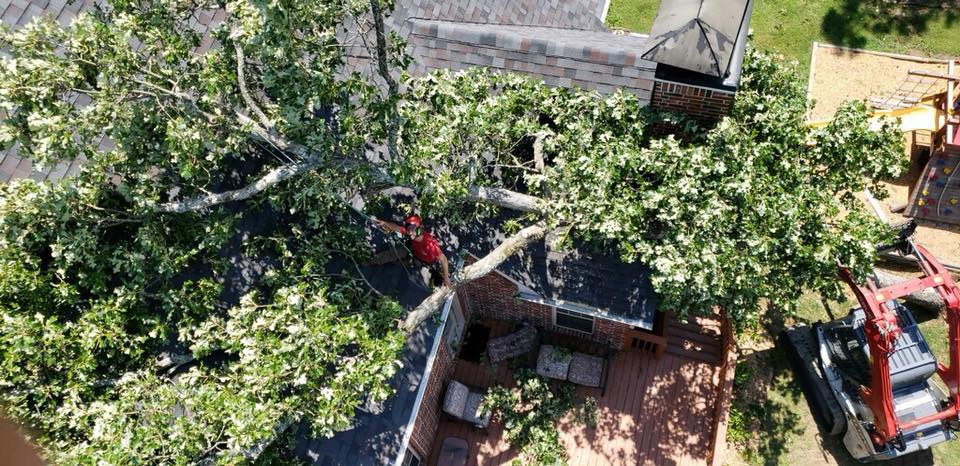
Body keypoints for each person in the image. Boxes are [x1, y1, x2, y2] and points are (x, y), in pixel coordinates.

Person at [372, 215, 452, 287]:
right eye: (408, 229)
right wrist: (385, 223)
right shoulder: (410, 233)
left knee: (423, 280)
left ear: (419, 229)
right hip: (414, 253)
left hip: (428, 263)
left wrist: (446, 277)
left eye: (413, 230)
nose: (410, 233)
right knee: (398, 253)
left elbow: (443, 259)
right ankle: (373, 261)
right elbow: (397, 228)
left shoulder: (429, 244)